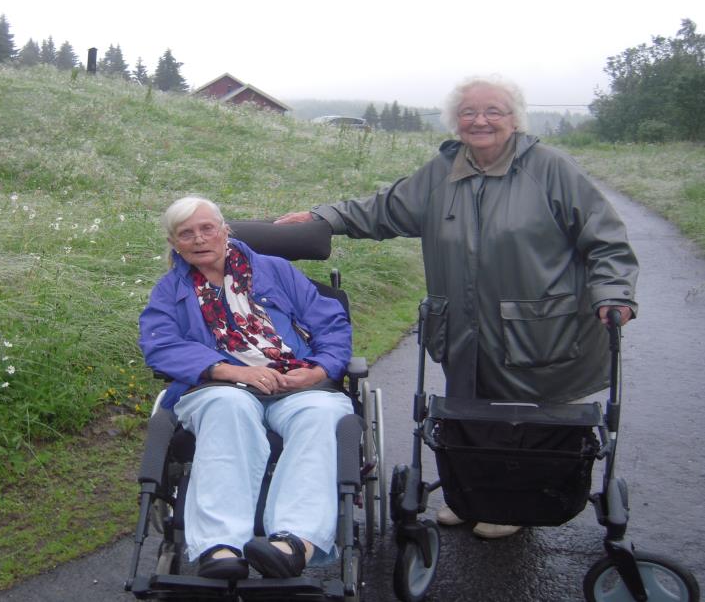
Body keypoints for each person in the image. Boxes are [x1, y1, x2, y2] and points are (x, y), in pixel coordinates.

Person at [276, 75, 638, 539]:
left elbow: (605, 239)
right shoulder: (443, 171)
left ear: (514, 119)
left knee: (523, 416)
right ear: (455, 120)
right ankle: (469, 495)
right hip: (463, 325)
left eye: (494, 112)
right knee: (465, 409)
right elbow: (384, 209)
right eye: (469, 112)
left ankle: (514, 503)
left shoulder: (550, 169)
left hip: (536, 328)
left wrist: (614, 294)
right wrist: (324, 216)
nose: (480, 121)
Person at [139, 196, 354, 580]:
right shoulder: (170, 291)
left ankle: (293, 544)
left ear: (225, 231)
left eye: (207, 228)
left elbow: (331, 325)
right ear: (175, 244)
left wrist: (318, 370)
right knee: (228, 407)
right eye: (186, 233)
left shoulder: (276, 271)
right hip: (219, 388)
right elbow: (160, 344)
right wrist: (224, 370)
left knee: (322, 414)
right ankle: (220, 547)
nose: (199, 239)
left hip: (295, 383)